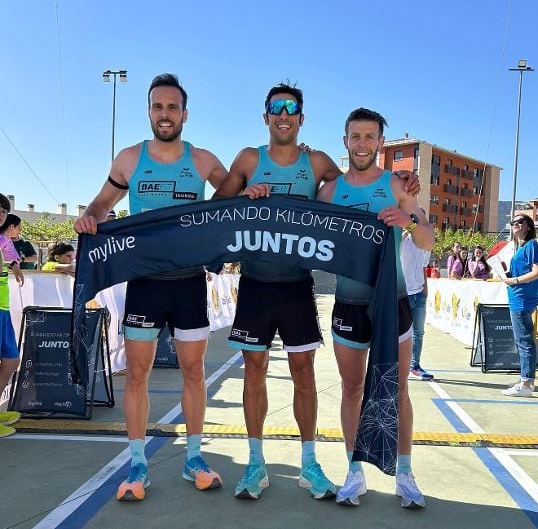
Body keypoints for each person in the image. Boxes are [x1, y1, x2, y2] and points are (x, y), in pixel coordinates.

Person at [214, 83, 422, 500]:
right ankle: (256, 465)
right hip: (255, 283)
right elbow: (218, 206)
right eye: (277, 108)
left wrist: (406, 193)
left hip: (300, 285)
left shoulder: (320, 164)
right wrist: (243, 195)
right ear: (266, 115)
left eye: (292, 108)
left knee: (306, 375)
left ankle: (311, 464)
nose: (284, 114)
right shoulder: (248, 159)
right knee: (255, 373)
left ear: (302, 118)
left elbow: (360, 182)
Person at [74, 73, 229, 501]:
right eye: (158, 107)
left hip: (188, 285)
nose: (165, 114)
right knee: (137, 373)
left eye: (172, 107)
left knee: (194, 372)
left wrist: (216, 234)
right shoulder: (129, 159)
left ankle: (194, 458)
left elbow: (232, 196)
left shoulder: (201, 160)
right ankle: (137, 463)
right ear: (149, 112)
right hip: (144, 284)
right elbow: (102, 204)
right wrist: (90, 217)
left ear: (184, 113)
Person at [317, 108, 435, 508]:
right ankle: (354, 472)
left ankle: (405, 475)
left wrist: (408, 219)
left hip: (393, 303)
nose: (363, 143)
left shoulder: (399, 185)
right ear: (345, 141)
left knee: (396, 391)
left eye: (370, 137)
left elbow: (428, 241)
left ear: (380, 142)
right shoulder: (330, 191)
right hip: (349, 304)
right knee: (352, 389)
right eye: (356, 136)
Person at [500, 214, 538, 397]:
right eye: (513, 222)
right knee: (523, 340)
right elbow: (522, 272)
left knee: (524, 341)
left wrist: (514, 280)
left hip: (522, 299)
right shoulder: (521, 247)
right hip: (518, 297)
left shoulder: (532, 244)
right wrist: (507, 272)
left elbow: (537, 272)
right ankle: (527, 380)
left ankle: (526, 383)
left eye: (520, 222)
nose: (515, 224)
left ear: (528, 226)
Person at [0, 193, 25, 437]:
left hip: (3, 309)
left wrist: (15, 267)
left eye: (4, 211)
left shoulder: (2, 240)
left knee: (10, 361)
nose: (1, 214)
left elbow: (10, 256)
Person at [400, 226, 434, 381]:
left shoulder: (424, 244)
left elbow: (423, 267)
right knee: (398, 332)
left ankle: (415, 366)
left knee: (418, 332)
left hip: (419, 294)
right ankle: (397, 365)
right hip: (401, 294)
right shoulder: (401, 239)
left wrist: (425, 290)